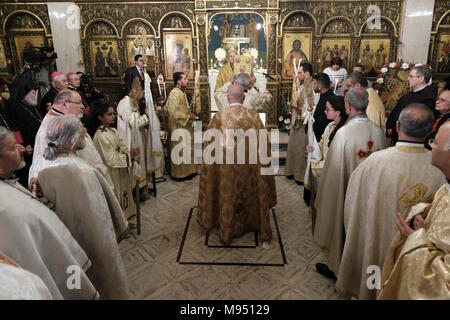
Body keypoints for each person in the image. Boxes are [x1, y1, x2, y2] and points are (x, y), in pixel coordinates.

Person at [337, 104, 446, 300]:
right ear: (431, 130)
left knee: (374, 282)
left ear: (397, 126)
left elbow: (353, 205)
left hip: (377, 247)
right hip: (419, 256)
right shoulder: (440, 167)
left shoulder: (374, 162)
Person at [37, 115, 130, 299]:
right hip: (94, 247)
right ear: (72, 140)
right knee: (105, 285)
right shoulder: (84, 172)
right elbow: (103, 215)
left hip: (67, 250)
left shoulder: (45, 170)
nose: (85, 132)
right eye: (81, 130)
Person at [0, 127, 98, 299]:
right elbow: (29, 256)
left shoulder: (7, 182)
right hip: (51, 275)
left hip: (62, 264)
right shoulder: (6, 210)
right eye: (13, 147)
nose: (21, 149)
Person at [314, 87, 386, 279]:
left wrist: (324, 195)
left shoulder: (344, 133)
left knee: (344, 228)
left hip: (347, 192)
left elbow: (333, 172)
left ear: (347, 106)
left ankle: (340, 268)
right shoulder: (378, 132)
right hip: (370, 193)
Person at [377, 121, 450, 300]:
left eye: (436, 142)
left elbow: (444, 285)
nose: (430, 145)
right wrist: (421, 216)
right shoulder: (445, 187)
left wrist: (414, 239)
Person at [197, 84, 277, 245]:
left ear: (228, 97)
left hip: (227, 171)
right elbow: (264, 145)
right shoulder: (254, 117)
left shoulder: (219, 117)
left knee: (227, 194)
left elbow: (210, 147)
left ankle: (226, 228)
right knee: (251, 192)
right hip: (250, 169)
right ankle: (253, 222)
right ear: (244, 97)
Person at [29, 89, 113, 190]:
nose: (83, 106)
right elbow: (46, 165)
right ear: (65, 104)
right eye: (79, 103)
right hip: (74, 185)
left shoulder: (67, 119)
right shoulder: (49, 128)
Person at [92, 101, 137, 218]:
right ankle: (121, 224)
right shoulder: (101, 135)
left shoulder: (112, 130)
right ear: (100, 117)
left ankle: (126, 219)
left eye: (114, 114)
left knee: (124, 195)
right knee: (117, 197)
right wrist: (129, 156)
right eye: (109, 114)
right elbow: (110, 159)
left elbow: (122, 147)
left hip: (120, 170)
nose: (113, 116)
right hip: (111, 172)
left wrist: (131, 154)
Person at [285, 63, 319, 184]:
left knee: (301, 149)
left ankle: (300, 175)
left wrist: (302, 110)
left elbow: (314, 106)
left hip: (306, 122)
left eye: (300, 72)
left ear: (307, 73)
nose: (297, 75)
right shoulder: (302, 85)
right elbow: (297, 101)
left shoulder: (313, 86)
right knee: (294, 146)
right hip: (297, 121)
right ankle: (292, 171)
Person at [386, 66, 438, 146]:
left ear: (421, 79)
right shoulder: (408, 95)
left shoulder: (430, 97)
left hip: (414, 140)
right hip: (399, 135)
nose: (408, 79)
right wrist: (390, 126)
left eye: (411, 76)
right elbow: (396, 111)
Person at [7, 73, 42, 186]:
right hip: (27, 149)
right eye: (31, 89)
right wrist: (24, 144)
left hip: (38, 145)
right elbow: (14, 130)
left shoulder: (31, 103)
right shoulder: (13, 107)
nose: (34, 92)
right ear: (23, 90)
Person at [307, 95, 348, 180]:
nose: (325, 111)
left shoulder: (342, 132)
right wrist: (313, 149)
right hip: (325, 171)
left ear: (338, 112)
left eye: (328, 109)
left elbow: (333, 161)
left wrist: (314, 166)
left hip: (334, 175)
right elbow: (322, 144)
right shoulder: (329, 126)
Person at [166, 72, 197, 179]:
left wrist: (189, 115)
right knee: (180, 150)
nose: (187, 80)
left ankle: (188, 171)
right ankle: (180, 174)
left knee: (186, 149)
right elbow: (173, 112)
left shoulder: (181, 92)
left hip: (185, 127)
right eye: (185, 78)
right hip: (178, 127)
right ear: (179, 81)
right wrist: (188, 117)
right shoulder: (174, 94)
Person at [311, 73, 335, 141]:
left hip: (323, 137)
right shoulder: (324, 95)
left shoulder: (329, 100)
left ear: (320, 86)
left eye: (314, 84)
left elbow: (323, 121)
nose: (313, 86)